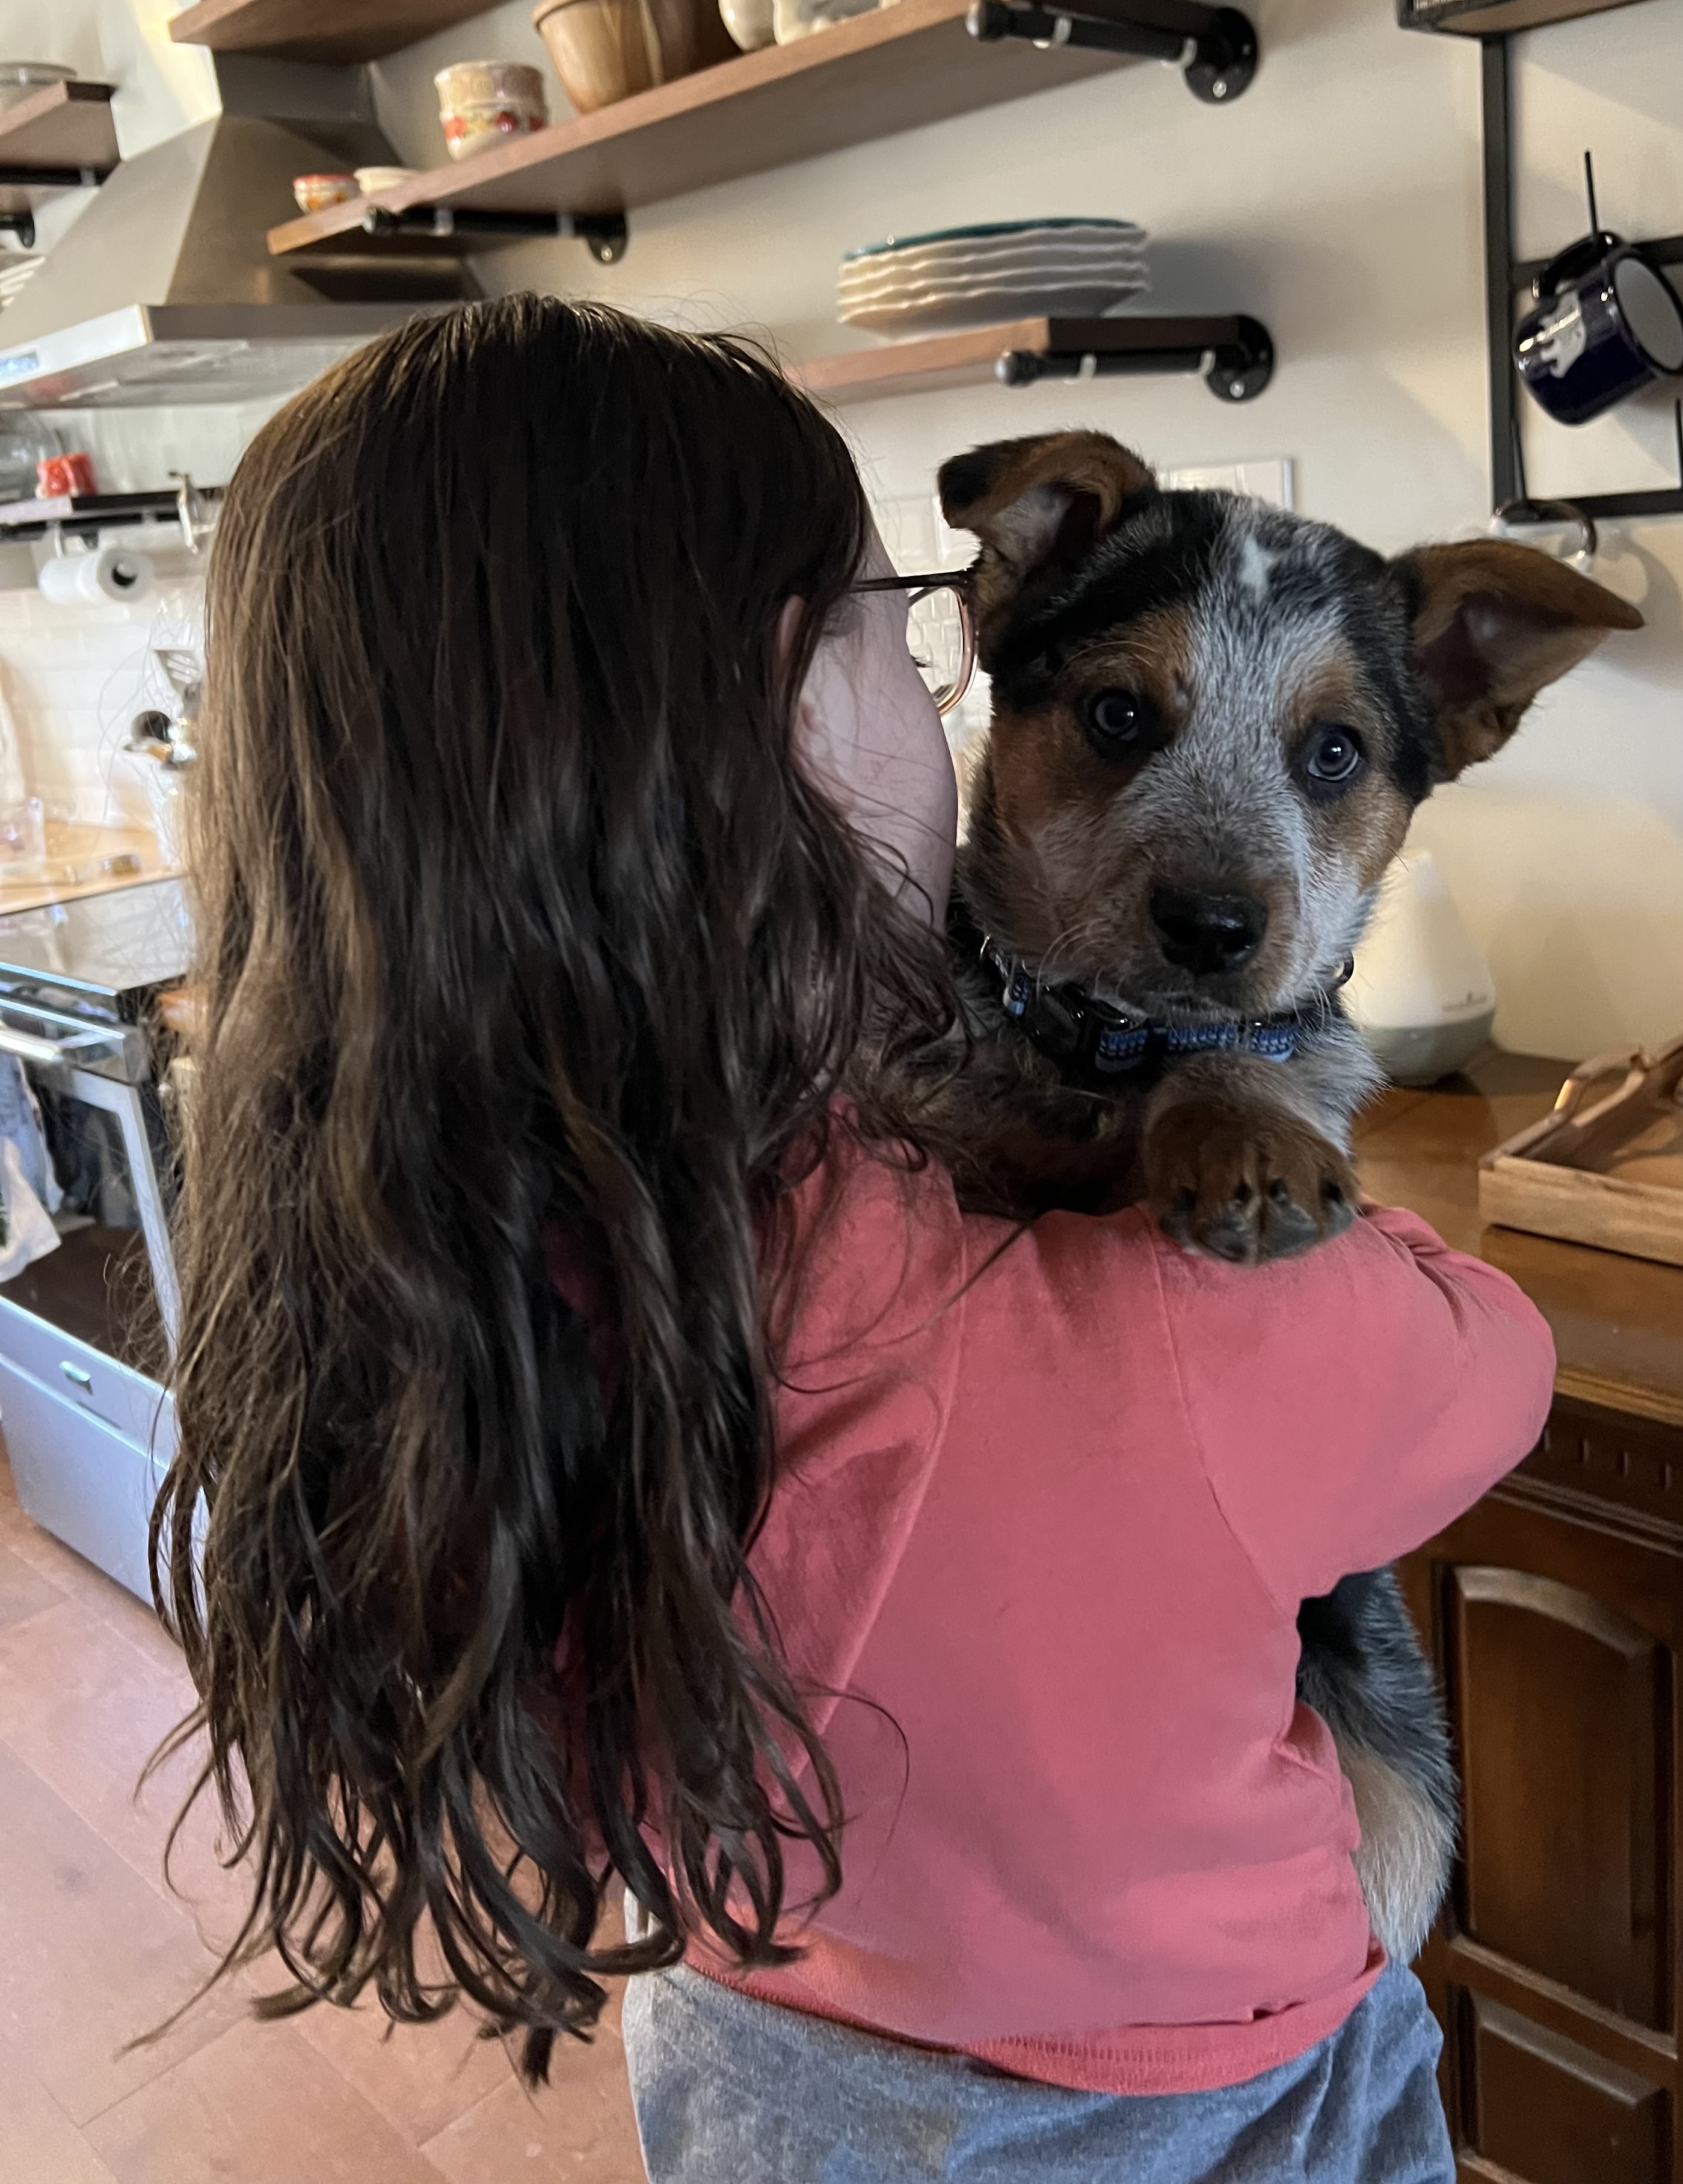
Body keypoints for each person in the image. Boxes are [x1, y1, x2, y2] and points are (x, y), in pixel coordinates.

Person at [155, 294, 1554, 2184]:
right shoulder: (1180, 1341)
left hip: (756, 2048)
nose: (1220, 871)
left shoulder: (458, 1260)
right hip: (1199, 2085)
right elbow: (1490, 1368)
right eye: (906, 629)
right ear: (783, 713)